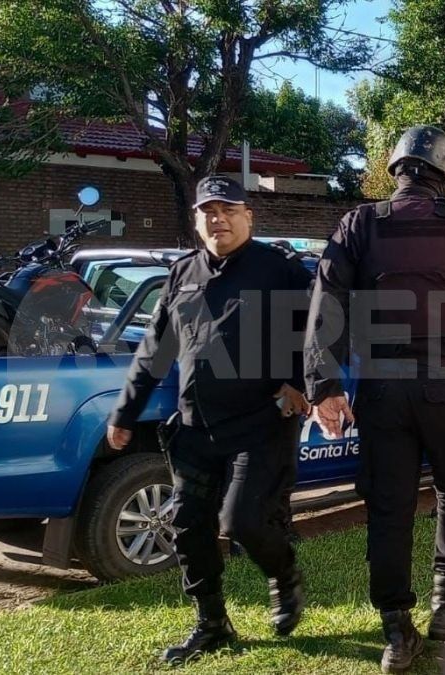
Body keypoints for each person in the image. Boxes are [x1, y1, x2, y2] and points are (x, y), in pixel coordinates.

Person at [303, 125, 445, 674]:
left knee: (389, 507)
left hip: (382, 391)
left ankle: (397, 631)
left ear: (396, 168)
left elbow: (324, 304)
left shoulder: (358, 223)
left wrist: (324, 388)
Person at [105, 175, 313, 666]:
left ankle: (283, 575)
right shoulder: (182, 274)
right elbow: (155, 349)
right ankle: (211, 623)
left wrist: (302, 386)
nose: (218, 219)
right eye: (208, 212)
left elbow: (320, 331)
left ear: (248, 216)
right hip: (196, 427)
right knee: (189, 526)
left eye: (229, 210)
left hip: (261, 422)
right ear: (197, 220)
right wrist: (124, 413)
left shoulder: (279, 269)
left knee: (242, 521)